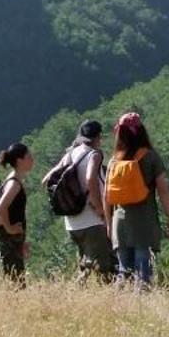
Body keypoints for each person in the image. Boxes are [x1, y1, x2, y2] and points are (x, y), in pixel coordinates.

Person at [108, 111, 169, 285]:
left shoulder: (114, 161)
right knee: (143, 275)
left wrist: (109, 224)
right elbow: (163, 191)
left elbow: (106, 196)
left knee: (123, 274)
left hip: (120, 223)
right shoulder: (150, 157)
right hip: (144, 223)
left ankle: (119, 308)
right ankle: (140, 308)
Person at [48, 119, 116, 281]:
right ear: (98, 137)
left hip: (72, 223)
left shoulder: (71, 153)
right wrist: (99, 207)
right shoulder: (95, 154)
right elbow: (90, 177)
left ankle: (76, 296)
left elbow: (48, 179)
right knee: (105, 269)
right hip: (92, 222)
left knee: (87, 267)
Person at [0, 142, 34, 283]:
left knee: (15, 279)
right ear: (19, 160)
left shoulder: (15, 180)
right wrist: (10, 229)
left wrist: (21, 240)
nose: (32, 159)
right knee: (15, 282)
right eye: (29, 156)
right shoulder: (14, 184)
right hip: (9, 241)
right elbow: (1, 207)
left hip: (13, 240)